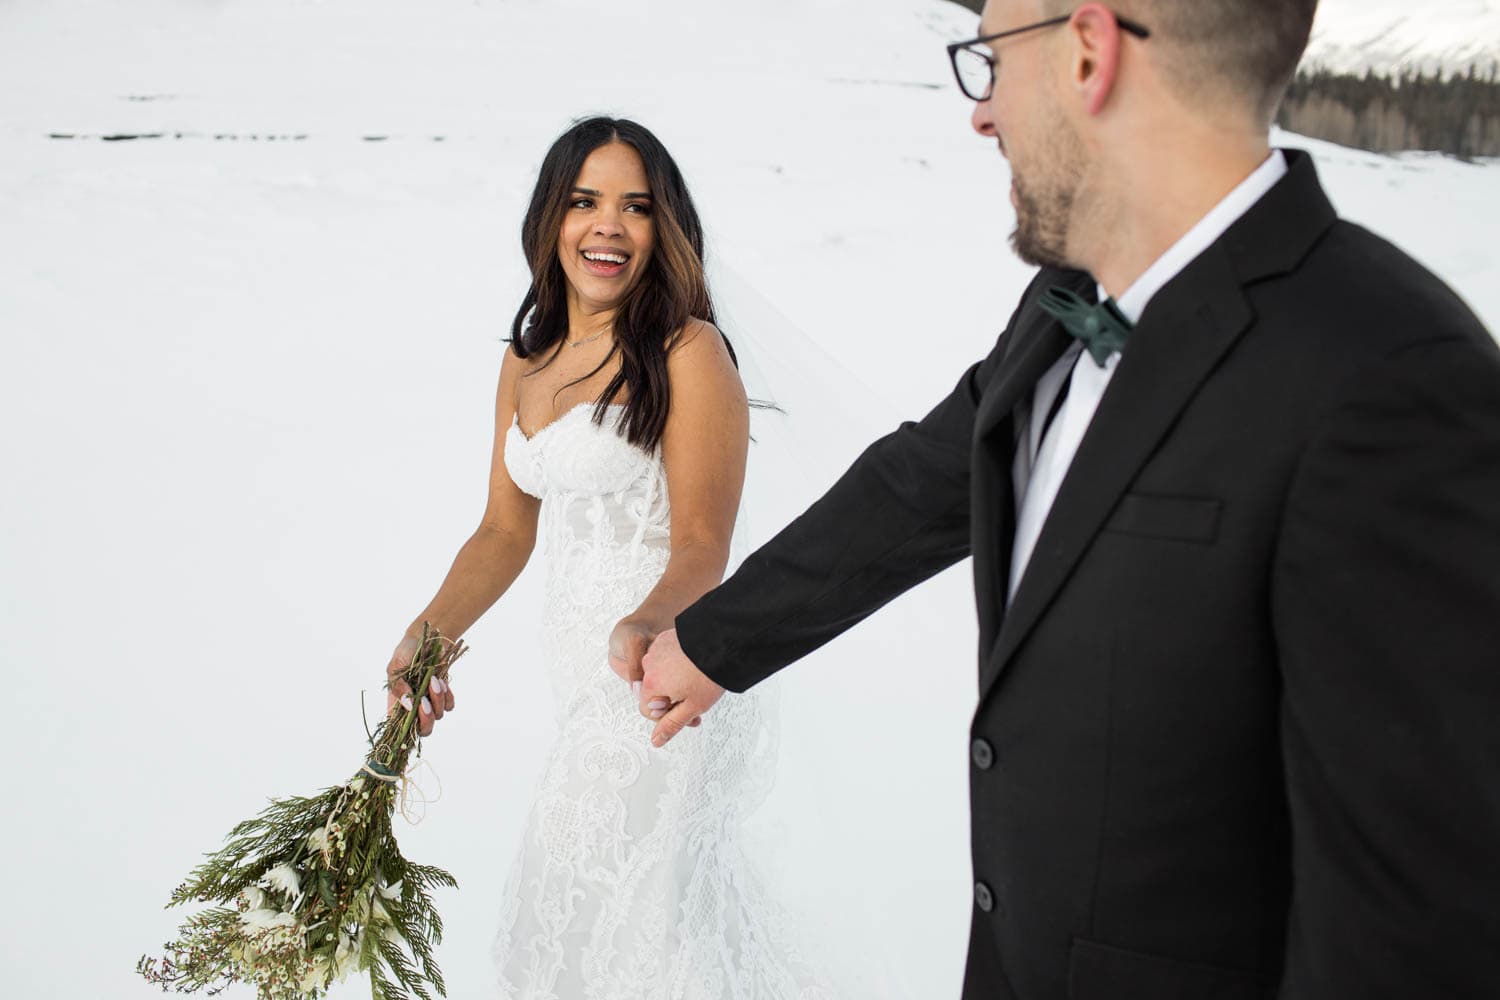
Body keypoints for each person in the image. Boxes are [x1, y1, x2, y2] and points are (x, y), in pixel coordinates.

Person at [626, 2, 1500, 997]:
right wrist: (713, 641)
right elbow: (920, 485)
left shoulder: (1396, 382)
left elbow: (1414, 936)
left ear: (1089, 51)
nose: (981, 115)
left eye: (989, 63)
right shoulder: (1059, 310)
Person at [384, 117, 828, 999]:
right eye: (585, 202)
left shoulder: (686, 352)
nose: (609, 228)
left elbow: (706, 543)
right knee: (611, 934)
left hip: (661, 681)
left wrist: (648, 622)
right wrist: (425, 636)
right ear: (552, 217)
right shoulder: (525, 360)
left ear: (665, 228)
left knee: (610, 932)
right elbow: (504, 532)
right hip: (580, 691)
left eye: (636, 207)